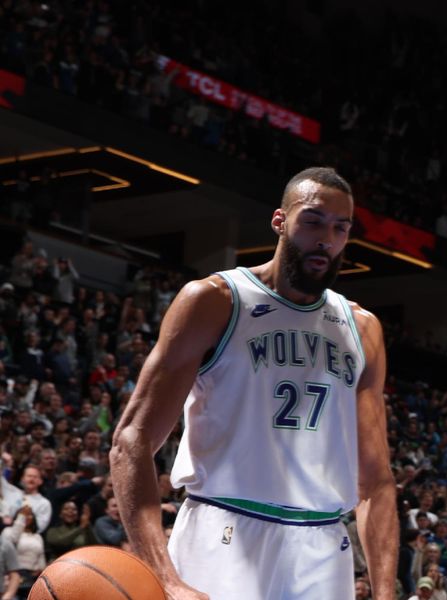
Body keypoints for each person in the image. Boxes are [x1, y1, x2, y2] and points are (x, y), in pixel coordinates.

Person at [110, 167, 398, 600]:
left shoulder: (363, 328)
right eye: (313, 221)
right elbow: (131, 440)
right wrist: (166, 578)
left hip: (323, 546)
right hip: (223, 531)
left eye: (340, 228)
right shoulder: (215, 301)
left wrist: (385, 594)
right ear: (280, 221)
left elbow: (375, 482)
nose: (326, 239)